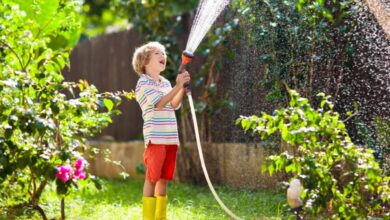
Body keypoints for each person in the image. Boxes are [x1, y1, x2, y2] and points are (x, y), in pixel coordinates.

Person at [132, 42, 190, 220]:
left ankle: (160, 217)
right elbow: (159, 103)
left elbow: (174, 104)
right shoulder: (143, 83)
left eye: (164, 53)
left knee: (163, 179)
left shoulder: (164, 82)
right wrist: (177, 86)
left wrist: (181, 88)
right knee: (152, 178)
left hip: (170, 138)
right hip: (155, 139)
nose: (163, 55)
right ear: (144, 62)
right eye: (157, 53)